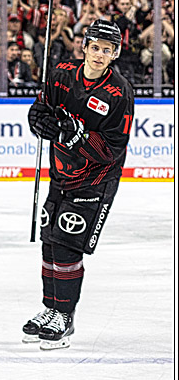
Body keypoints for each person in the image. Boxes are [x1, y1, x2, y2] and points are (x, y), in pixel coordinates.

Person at [24, 19, 134, 350]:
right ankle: (49, 308)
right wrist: (38, 120)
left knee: (67, 245)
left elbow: (114, 146)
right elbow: (42, 109)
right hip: (61, 174)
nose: (99, 55)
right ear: (83, 46)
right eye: (95, 47)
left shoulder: (120, 92)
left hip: (95, 180)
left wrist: (77, 136)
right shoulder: (61, 74)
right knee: (48, 240)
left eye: (107, 50)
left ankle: (65, 315)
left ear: (115, 54)